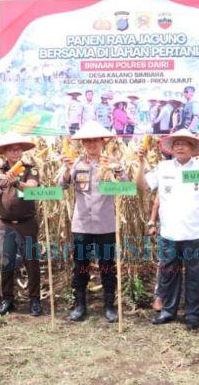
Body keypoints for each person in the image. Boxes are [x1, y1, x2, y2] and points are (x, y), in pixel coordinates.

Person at [136, 129, 199, 331]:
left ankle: (192, 315)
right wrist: (140, 163)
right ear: (171, 148)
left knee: (196, 277)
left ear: (193, 148)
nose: (180, 146)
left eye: (185, 143)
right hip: (169, 233)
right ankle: (168, 311)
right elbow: (143, 186)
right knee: (169, 273)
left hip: (196, 233)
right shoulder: (163, 168)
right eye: (176, 143)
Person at [58, 121, 127, 322]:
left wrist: (118, 170)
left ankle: (109, 306)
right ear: (83, 144)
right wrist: (65, 168)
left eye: (95, 141)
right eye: (87, 141)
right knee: (80, 265)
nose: (91, 144)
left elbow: (126, 187)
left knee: (107, 265)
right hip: (81, 225)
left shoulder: (111, 163)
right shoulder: (76, 164)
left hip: (105, 225)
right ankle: (79, 305)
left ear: (102, 142)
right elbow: (62, 185)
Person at [0, 132, 42, 317]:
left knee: (31, 262)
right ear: (5, 153)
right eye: (11, 149)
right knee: (6, 262)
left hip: (26, 223)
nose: (16, 153)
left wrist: (16, 182)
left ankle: (34, 300)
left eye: (18, 149)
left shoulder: (29, 169)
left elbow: (32, 189)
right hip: (4, 223)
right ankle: (7, 300)